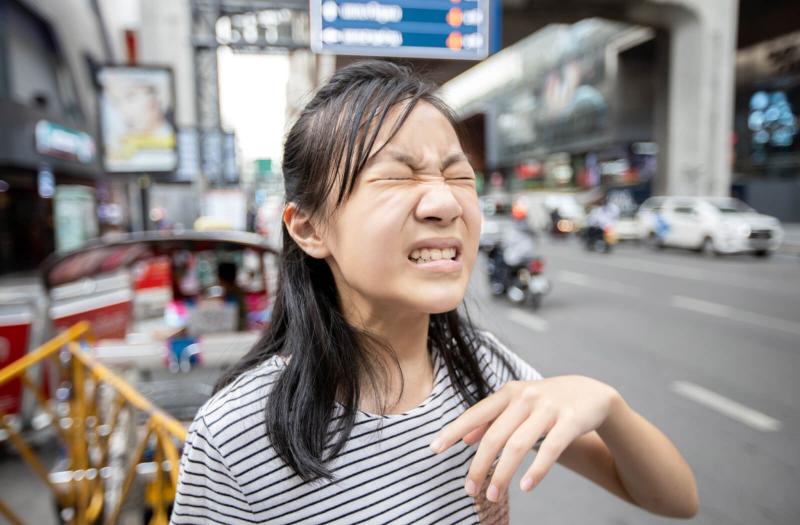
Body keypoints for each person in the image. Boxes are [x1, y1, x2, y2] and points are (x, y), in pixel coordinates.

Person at [170, 62, 698, 524]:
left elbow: (674, 500)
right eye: (397, 177)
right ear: (309, 229)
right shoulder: (235, 435)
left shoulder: (484, 370)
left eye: (458, 175)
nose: (444, 203)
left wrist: (607, 405)